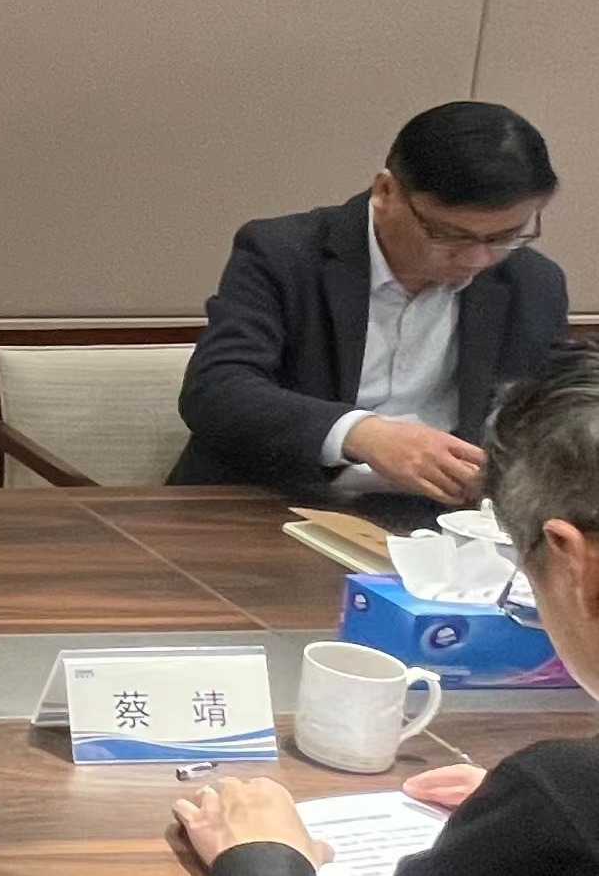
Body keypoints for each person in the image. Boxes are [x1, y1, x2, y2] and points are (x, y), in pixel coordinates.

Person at [174, 341, 599, 875]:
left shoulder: (566, 796)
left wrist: (262, 854)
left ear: (576, 564)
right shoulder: (559, 799)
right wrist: (518, 819)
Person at [173, 102, 565, 502]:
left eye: (505, 237)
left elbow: (546, 416)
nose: (476, 259)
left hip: (437, 517)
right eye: (449, 235)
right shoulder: (285, 254)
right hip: (270, 502)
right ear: (385, 192)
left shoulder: (532, 283)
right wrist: (362, 433)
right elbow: (217, 390)